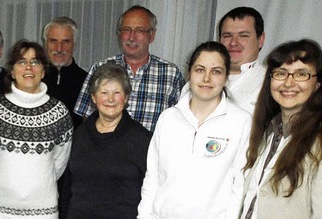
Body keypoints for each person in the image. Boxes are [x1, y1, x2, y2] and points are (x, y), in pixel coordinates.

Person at [138, 42, 250, 219]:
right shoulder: (168, 119)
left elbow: (241, 186)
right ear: (189, 72)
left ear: (226, 76)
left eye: (216, 71)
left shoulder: (241, 121)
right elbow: (152, 180)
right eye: (200, 69)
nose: (206, 78)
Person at [0, 40, 72, 218]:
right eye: (21, 62)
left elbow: (59, 163)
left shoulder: (59, 112)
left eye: (35, 62)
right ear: (12, 72)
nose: (28, 67)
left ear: (43, 71)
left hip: (42, 212)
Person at [240, 39, 322, 219]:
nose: (288, 83)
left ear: (317, 85)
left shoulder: (318, 143)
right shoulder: (268, 132)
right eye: (280, 73)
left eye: (301, 74)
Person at [74, 5, 185, 131]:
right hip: (107, 149)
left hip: (151, 150)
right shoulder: (100, 69)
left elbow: (181, 122)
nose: (132, 37)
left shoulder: (171, 74)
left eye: (140, 30)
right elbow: (87, 116)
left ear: (152, 35)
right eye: (127, 29)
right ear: (119, 34)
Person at [65, 64, 151, 218]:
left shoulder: (142, 139)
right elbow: (67, 188)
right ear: (93, 97)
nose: (110, 99)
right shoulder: (79, 135)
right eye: (104, 92)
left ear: (126, 98)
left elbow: (152, 191)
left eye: (117, 92)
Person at [181, 7, 266, 115]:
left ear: (261, 40)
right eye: (227, 36)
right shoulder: (196, 82)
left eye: (243, 36)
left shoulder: (271, 85)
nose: (233, 43)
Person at [42, 16, 87, 129]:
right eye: (53, 41)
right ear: (45, 44)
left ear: (74, 45)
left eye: (65, 41)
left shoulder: (87, 81)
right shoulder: (34, 79)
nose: (59, 48)